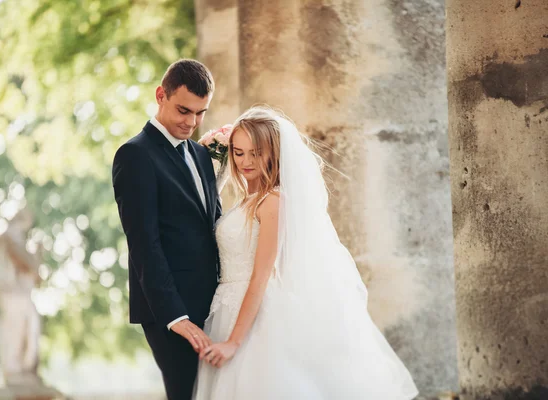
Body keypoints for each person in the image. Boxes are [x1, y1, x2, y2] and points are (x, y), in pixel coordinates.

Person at [193, 106, 419, 399]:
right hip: (226, 309)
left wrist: (234, 342)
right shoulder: (247, 201)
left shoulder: (273, 201)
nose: (246, 161)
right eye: (238, 152)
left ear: (274, 153)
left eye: (256, 152)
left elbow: (261, 276)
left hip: (256, 320)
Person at [112, 59, 222, 400]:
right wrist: (176, 317)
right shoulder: (134, 155)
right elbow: (144, 243)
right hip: (172, 311)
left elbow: (211, 224)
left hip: (216, 304)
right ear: (161, 95)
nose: (192, 122)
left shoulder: (202, 156)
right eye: (183, 110)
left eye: (201, 113)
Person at [0, 208, 42, 385]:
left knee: (30, 332)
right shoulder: (9, 237)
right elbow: (25, 263)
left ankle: (24, 370)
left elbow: (36, 275)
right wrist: (36, 257)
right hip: (12, 294)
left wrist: (36, 260)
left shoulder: (17, 238)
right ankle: (15, 372)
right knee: (16, 334)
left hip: (21, 294)